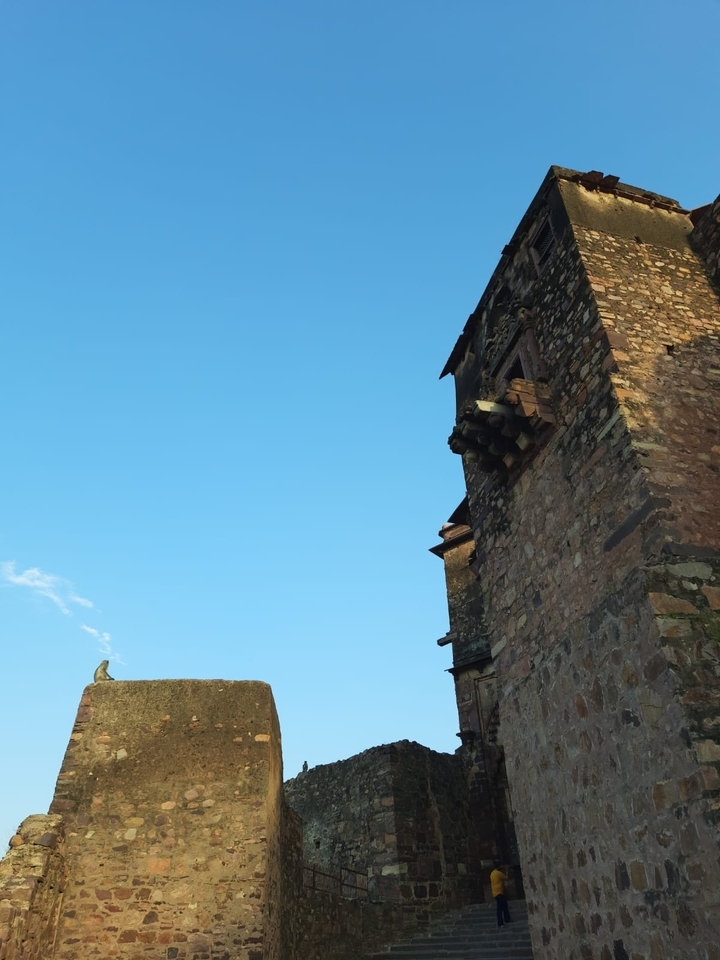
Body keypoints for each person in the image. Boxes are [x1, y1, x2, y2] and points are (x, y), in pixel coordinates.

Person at [490, 861, 511, 927]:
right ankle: (501, 922)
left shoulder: (492, 873)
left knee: (503, 906)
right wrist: (507, 870)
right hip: (499, 892)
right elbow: (506, 877)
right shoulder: (498, 873)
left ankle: (506, 919)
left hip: (495, 892)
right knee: (501, 907)